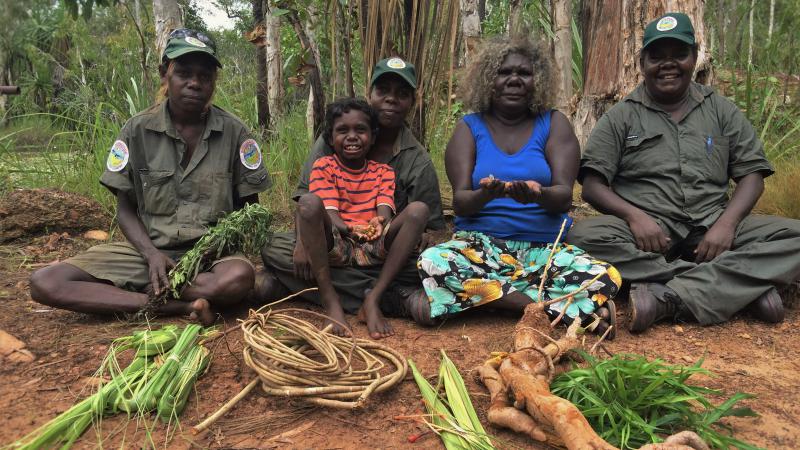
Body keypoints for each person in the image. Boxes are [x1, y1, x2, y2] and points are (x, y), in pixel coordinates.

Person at [567, 13, 800, 332]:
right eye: (656, 56)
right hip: (648, 235)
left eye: (679, 54)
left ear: (694, 57)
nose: (668, 64)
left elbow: (752, 176)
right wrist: (635, 217)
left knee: (795, 236)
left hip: (713, 227)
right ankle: (735, 288)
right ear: (642, 62)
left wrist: (727, 225)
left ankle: (671, 292)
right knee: (582, 237)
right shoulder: (621, 117)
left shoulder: (721, 110)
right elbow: (593, 185)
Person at [29, 29, 271, 325]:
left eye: (204, 76)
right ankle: (177, 307)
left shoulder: (235, 133)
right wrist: (151, 255)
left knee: (237, 278)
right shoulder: (137, 130)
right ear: (164, 74)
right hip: (148, 254)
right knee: (46, 282)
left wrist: (216, 248)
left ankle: (139, 294)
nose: (195, 83)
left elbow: (251, 209)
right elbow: (125, 208)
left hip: (213, 261)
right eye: (184, 73)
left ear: (213, 82)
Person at [416, 36, 621, 335]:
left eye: (524, 73)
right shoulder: (469, 128)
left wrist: (538, 194)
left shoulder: (554, 123)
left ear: (538, 80)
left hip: (543, 251)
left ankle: (493, 300)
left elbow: (563, 197)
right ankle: (552, 310)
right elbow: (460, 202)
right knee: (433, 262)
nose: (514, 80)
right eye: (503, 72)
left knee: (606, 275)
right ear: (488, 79)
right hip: (480, 249)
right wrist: (485, 195)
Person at [259, 57, 445, 319]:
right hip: (333, 240)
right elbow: (307, 202)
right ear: (370, 94)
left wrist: (413, 236)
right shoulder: (333, 140)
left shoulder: (417, 160)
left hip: (382, 249)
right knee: (274, 248)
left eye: (402, 94)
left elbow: (425, 228)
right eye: (383, 91)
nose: (391, 99)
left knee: (430, 265)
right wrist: (302, 242)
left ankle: (300, 286)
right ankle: (389, 297)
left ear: (413, 102)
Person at [297, 98, 429, 338]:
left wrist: (379, 223)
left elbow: (384, 212)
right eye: (342, 130)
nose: (352, 136)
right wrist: (348, 229)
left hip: (373, 244)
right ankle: (330, 299)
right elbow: (329, 212)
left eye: (360, 130)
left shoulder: (383, 172)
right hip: (338, 242)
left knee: (418, 210)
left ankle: (373, 296)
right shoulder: (323, 166)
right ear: (329, 138)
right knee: (307, 203)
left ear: (373, 136)